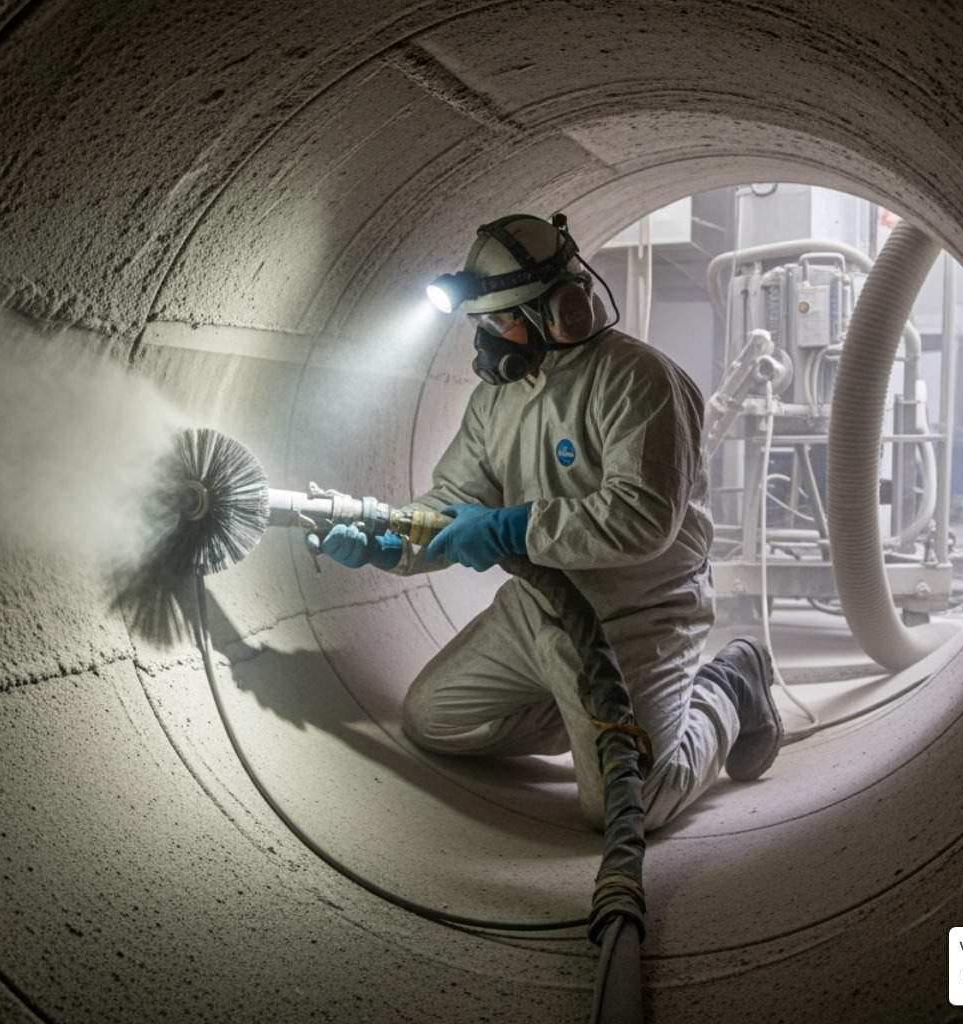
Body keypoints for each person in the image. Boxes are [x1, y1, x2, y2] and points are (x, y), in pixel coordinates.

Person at [321, 212, 782, 830]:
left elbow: (641, 518)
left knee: (626, 806)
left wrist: (511, 529)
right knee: (435, 720)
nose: (486, 342)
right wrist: (390, 540)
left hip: (638, 613)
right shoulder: (495, 400)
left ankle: (728, 688)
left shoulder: (639, 381)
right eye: (480, 326)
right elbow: (455, 496)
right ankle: (591, 724)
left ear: (564, 311)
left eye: (499, 323)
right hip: (540, 607)